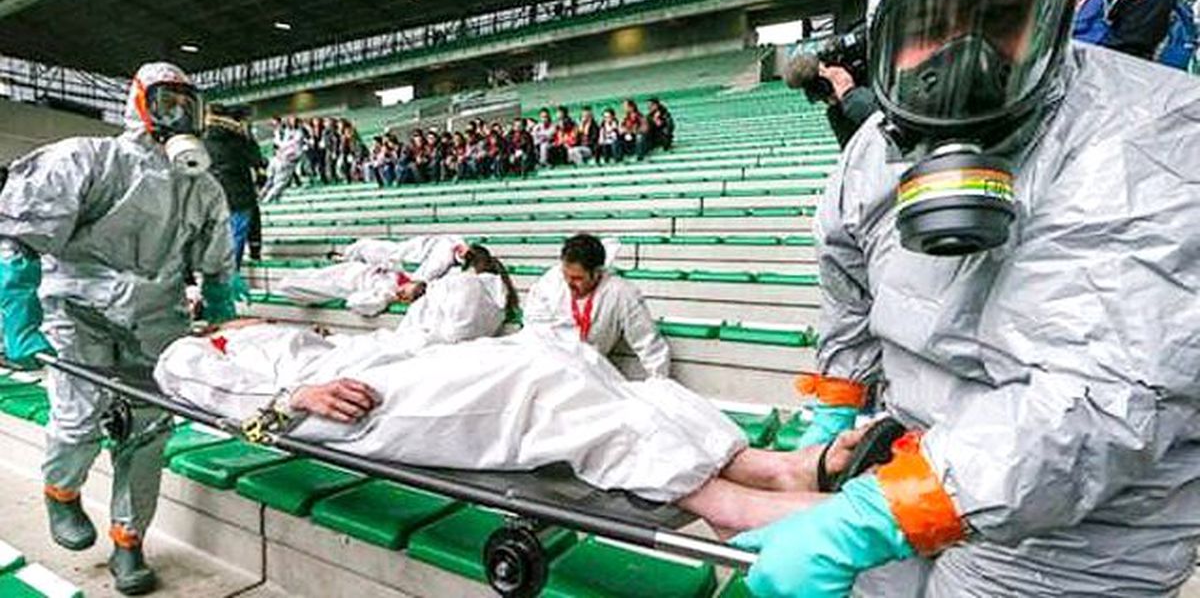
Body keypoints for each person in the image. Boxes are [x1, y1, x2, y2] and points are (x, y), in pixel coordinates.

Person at [732, 0, 1200, 596]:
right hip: (910, 462)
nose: (966, 55)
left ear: (1058, 14)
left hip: (1087, 532)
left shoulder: (1156, 139)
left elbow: (1107, 399)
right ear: (884, 30)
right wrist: (838, 408)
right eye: (933, 22)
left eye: (1004, 16)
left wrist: (878, 514)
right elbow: (847, 283)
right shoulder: (870, 153)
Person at [154, 319, 873, 534]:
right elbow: (194, 385)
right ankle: (722, 502)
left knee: (561, 353)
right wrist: (295, 394)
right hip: (342, 409)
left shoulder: (267, 327)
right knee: (541, 387)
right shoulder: (192, 349)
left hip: (374, 365)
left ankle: (767, 467)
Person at [0, 62, 241, 595]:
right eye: (165, 102)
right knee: (77, 417)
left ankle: (128, 542)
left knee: (149, 434)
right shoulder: (89, 159)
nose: (177, 115)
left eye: (187, 105)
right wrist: (17, 312)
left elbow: (218, 261)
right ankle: (61, 492)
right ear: (138, 103)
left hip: (157, 319)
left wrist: (221, 304)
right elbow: (20, 237)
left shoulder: (202, 188)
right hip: (77, 310)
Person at [524, 234, 670, 380]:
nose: (569, 283)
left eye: (577, 278)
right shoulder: (550, 283)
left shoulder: (620, 292)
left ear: (597, 272)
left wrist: (659, 383)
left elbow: (648, 342)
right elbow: (534, 329)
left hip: (591, 375)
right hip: (548, 368)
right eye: (566, 275)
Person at [277, 236, 481, 315]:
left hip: (348, 280)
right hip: (354, 267)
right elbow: (447, 247)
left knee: (289, 285)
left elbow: (358, 304)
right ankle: (342, 257)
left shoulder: (386, 292)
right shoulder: (420, 272)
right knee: (368, 246)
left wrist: (391, 295)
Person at [204, 104, 266, 270]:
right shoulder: (238, 136)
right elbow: (255, 159)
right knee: (238, 233)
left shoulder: (204, 138)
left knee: (224, 234)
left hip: (215, 192)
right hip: (240, 191)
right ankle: (232, 271)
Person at [785, 53, 879, 150]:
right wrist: (848, 95)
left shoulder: (875, 75)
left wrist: (850, 94)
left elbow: (885, 121)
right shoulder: (837, 114)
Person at [260, 119, 304, 203]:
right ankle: (265, 199)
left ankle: (268, 199)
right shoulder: (281, 133)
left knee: (276, 182)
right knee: (275, 182)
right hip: (280, 160)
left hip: (284, 159)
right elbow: (281, 144)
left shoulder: (295, 133)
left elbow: (290, 145)